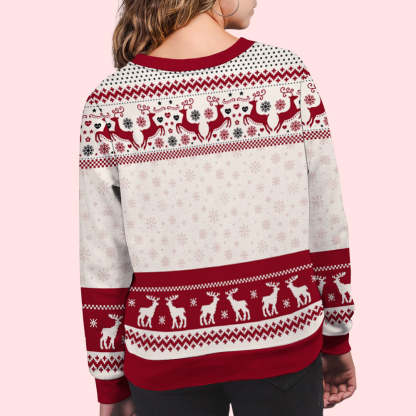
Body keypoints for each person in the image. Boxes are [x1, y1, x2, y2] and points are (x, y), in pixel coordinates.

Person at [78, 1, 357, 415]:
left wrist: (111, 383)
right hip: (280, 345)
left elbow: (102, 256)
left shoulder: (108, 102)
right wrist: (336, 337)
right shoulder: (285, 76)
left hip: (164, 358)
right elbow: (326, 217)